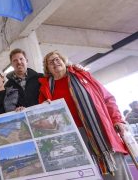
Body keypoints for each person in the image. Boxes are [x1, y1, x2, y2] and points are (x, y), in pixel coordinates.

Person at [38, 51, 132, 180]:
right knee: (85, 174)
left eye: (57, 59)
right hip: (72, 137)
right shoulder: (46, 88)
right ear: (47, 68)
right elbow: (43, 115)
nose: (55, 63)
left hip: (99, 129)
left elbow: (108, 98)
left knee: (116, 170)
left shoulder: (82, 76)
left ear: (63, 61)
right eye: (50, 62)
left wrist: (117, 120)